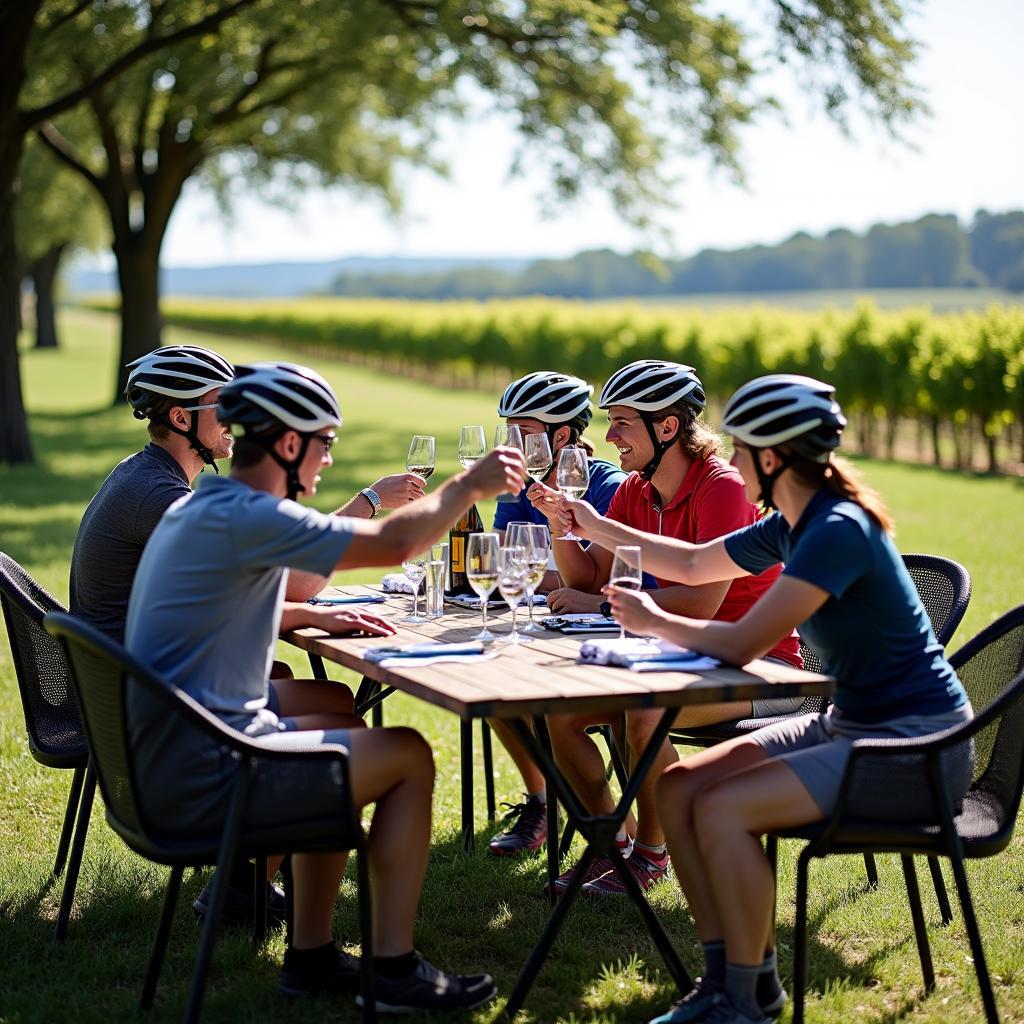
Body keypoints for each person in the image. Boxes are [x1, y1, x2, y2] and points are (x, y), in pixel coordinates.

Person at [563, 374, 973, 1024]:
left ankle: (742, 996)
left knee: (722, 809)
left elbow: (745, 640)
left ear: (771, 457)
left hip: (911, 748)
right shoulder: (791, 525)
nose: (727, 458)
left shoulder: (836, 529)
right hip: (852, 727)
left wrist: (654, 620)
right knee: (678, 790)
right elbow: (696, 563)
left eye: (738, 446)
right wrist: (592, 525)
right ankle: (734, 984)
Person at [125, 361, 525, 1012]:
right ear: (289, 445)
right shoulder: (246, 515)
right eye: (325, 443)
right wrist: (469, 484)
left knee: (341, 734)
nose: (328, 461)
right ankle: (391, 970)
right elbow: (397, 543)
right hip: (205, 777)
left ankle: (311, 958)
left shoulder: (216, 507)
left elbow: (303, 582)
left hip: (165, 761)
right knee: (408, 757)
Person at [69, 344, 422, 923]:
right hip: (157, 715)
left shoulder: (146, 477)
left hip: (139, 693)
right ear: (182, 419)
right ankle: (250, 879)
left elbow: (244, 597)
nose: (234, 421)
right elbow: (299, 582)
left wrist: (310, 619)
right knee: (342, 725)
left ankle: (244, 880)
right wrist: (373, 502)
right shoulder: (164, 498)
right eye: (221, 407)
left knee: (331, 700)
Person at [532, 359, 801, 897]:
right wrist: (559, 522)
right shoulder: (635, 490)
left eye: (622, 422)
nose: (609, 436)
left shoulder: (720, 486)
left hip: (759, 664)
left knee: (642, 709)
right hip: (679, 656)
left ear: (667, 427)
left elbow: (701, 603)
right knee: (559, 714)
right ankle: (614, 845)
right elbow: (589, 575)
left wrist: (606, 606)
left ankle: (653, 856)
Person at [486, 370, 626, 856]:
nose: (508, 442)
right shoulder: (517, 486)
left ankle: (616, 834)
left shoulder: (609, 486)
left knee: (533, 697)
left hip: (598, 636)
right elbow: (508, 566)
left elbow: (594, 583)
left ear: (560, 435)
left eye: (519, 431)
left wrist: (541, 578)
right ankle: (542, 801)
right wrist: (542, 579)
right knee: (492, 685)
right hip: (545, 624)